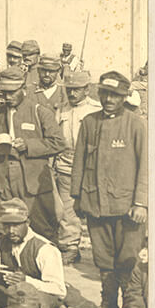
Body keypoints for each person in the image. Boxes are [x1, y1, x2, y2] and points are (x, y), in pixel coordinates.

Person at [70, 70, 149, 308]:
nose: (109, 99)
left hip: (127, 209)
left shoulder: (135, 125)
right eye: (105, 93)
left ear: (124, 97)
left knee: (128, 263)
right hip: (95, 205)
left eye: (115, 95)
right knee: (103, 262)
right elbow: (79, 160)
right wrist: (77, 196)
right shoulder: (89, 123)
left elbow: (145, 167)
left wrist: (141, 202)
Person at [0, 66, 65, 238]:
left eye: (12, 93)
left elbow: (59, 143)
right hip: (1, 174)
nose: (8, 97)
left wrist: (29, 145)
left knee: (39, 225)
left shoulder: (39, 111)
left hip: (30, 176)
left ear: (23, 89)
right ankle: (6, 261)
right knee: (3, 224)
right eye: (4, 93)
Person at [0, 198, 66, 308]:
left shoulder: (45, 249)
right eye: (7, 226)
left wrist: (27, 281)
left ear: (27, 223)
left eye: (16, 225)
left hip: (38, 303)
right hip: (11, 298)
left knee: (39, 300)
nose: (11, 231)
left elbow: (59, 290)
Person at [52, 68, 97, 262]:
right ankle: (70, 246)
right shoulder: (61, 109)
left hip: (90, 166)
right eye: (69, 89)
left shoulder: (95, 109)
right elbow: (55, 137)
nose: (71, 93)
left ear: (86, 89)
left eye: (76, 89)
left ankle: (101, 251)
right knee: (67, 209)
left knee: (94, 209)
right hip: (65, 165)